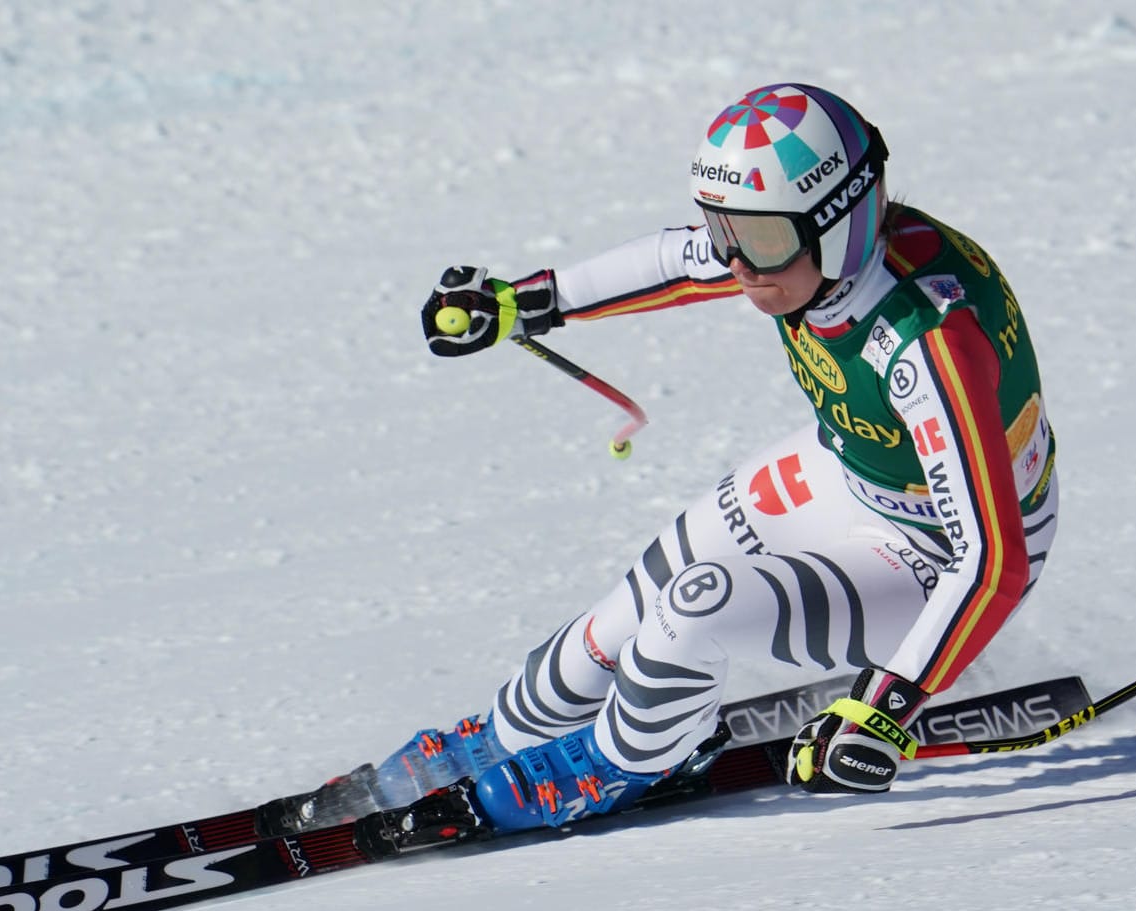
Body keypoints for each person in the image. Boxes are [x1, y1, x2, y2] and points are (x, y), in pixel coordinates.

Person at [262, 83, 1058, 838]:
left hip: (938, 555)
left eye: (762, 241)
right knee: (626, 612)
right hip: (851, 472)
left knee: (694, 609)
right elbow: (679, 262)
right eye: (726, 231)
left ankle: (614, 766)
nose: (739, 264)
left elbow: (993, 558)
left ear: (840, 219)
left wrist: (883, 708)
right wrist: (522, 302)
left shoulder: (927, 341)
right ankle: (498, 737)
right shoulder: (799, 253)